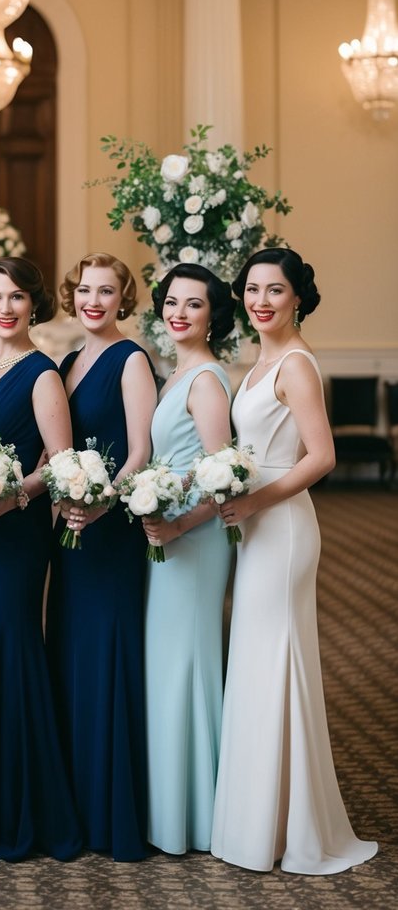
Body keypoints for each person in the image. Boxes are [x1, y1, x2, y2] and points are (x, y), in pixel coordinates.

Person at [211, 248, 377, 874]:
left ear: (298, 298)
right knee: (259, 662)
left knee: (275, 661)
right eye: (252, 290)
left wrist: (254, 499)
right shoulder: (262, 360)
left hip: (281, 528)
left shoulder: (297, 363)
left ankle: (285, 827)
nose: (260, 301)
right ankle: (263, 820)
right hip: (258, 524)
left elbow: (321, 456)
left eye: (274, 291)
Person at [0, 256, 81, 862]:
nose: (5, 308)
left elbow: (60, 461)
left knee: (9, 649)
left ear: (35, 306)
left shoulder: (43, 373)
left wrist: (11, 499)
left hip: (17, 534)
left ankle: (26, 807)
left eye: (17, 298)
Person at [45, 253, 157, 861]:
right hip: (70, 530)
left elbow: (139, 450)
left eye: (106, 290)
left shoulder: (131, 358)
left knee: (106, 653)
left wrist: (102, 503)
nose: (93, 299)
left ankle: (111, 811)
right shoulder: (65, 362)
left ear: (123, 298)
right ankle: (76, 803)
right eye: (84, 289)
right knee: (71, 651)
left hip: (109, 532)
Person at [142, 263, 235, 855]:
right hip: (169, 537)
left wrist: (177, 525)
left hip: (193, 542)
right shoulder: (177, 374)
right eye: (171, 302)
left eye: (193, 305)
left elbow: (221, 476)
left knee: (189, 667)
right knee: (170, 669)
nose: (178, 313)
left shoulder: (205, 379)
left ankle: (199, 818)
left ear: (212, 316)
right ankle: (174, 811)